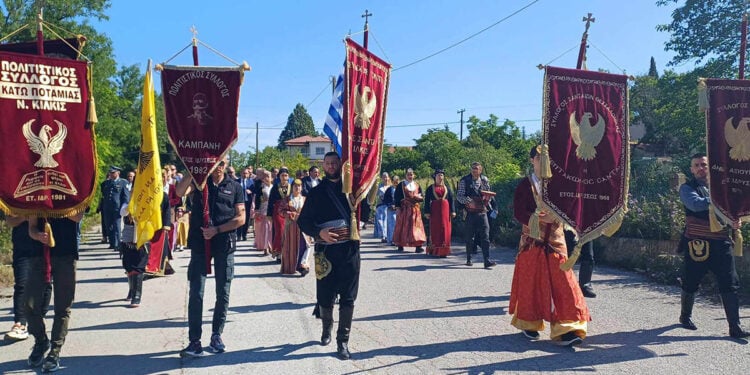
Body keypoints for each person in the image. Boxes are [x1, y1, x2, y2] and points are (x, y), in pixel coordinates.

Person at [509, 145, 590, 346]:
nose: (543, 161)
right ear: (532, 160)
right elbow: (518, 212)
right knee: (531, 284)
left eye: (546, 157)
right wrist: (537, 218)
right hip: (531, 242)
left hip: (555, 242)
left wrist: (558, 215)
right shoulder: (524, 186)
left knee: (565, 283)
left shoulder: (559, 185)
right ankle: (529, 323)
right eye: (539, 157)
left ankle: (568, 328)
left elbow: (570, 206)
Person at [176, 159, 245, 357]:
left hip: (224, 243)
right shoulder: (198, 183)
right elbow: (179, 192)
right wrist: (192, 169)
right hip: (199, 244)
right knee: (196, 292)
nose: (219, 166)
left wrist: (217, 230)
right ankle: (194, 341)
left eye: (223, 162)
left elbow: (241, 218)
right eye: (216, 162)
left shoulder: (235, 187)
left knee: (223, 291)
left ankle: (216, 335)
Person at [677, 153, 749, 338]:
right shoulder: (687, 188)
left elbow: (733, 211)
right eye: (697, 165)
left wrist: (735, 220)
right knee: (691, 281)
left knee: (730, 283)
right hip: (697, 243)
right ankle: (685, 317)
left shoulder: (723, 187)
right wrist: (720, 198)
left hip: (721, 242)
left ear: (710, 166)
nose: (701, 168)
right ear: (691, 169)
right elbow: (695, 205)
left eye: (704, 164)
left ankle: (735, 327)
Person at [298, 151, 360, 360]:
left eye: (335, 163)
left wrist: (362, 198)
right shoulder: (316, 193)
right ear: (323, 165)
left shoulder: (352, 190)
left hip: (349, 250)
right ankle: (326, 329)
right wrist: (318, 232)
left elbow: (366, 213)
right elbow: (303, 221)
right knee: (325, 296)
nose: (332, 166)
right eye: (328, 163)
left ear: (341, 165)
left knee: (349, 297)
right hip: (326, 251)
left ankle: (343, 342)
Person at [25, 212, 85, 372]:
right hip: (38, 255)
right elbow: (31, 228)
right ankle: (41, 340)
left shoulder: (71, 194)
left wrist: (57, 208)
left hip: (66, 253)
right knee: (29, 305)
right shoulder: (38, 195)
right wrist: (38, 235)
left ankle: (55, 351)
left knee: (62, 307)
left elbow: (78, 216)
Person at [4, 216, 51, 342]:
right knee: (21, 284)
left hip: (45, 243)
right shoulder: (15, 196)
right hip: (22, 245)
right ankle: (20, 323)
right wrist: (26, 216)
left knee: (46, 283)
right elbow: (10, 220)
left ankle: (41, 317)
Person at [456, 162, 497, 268]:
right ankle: (469, 259)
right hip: (470, 213)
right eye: (473, 168)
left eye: (477, 168)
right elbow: (459, 196)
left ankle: (486, 260)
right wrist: (468, 201)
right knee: (469, 237)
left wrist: (489, 200)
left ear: (481, 170)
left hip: (483, 212)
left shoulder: (485, 180)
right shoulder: (464, 180)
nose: (474, 170)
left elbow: (489, 194)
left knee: (486, 237)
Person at [281, 179, 312, 275]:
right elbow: (281, 211)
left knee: (307, 245)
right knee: (292, 247)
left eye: (299, 186)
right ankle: (292, 267)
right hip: (291, 227)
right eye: (295, 186)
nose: (297, 188)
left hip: (303, 227)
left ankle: (303, 265)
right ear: (292, 187)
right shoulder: (287, 199)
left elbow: (310, 211)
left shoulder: (305, 199)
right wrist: (292, 214)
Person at [119, 203, 148, 307]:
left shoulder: (148, 202)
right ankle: (131, 290)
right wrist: (132, 204)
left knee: (139, 267)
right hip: (127, 240)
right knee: (129, 267)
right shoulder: (126, 205)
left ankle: (137, 296)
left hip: (142, 239)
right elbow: (122, 212)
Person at [393, 168, 427, 253]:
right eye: (408, 174)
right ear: (406, 175)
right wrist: (397, 208)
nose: (410, 176)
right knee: (403, 226)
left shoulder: (417, 185)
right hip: (404, 209)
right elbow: (397, 197)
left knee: (416, 227)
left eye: (411, 174)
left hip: (415, 209)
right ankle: (400, 244)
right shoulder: (401, 185)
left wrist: (419, 198)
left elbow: (421, 195)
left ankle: (418, 245)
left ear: (414, 175)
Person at [424, 169, 456, 257]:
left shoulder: (447, 188)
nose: (440, 177)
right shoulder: (430, 188)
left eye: (442, 175)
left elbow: (451, 200)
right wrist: (427, 212)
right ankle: (434, 249)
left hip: (446, 212)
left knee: (445, 229)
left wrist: (453, 211)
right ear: (435, 177)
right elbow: (427, 201)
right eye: (438, 175)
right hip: (435, 212)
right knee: (435, 229)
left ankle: (444, 250)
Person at [100, 166, 130, 249]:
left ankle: (117, 244)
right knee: (108, 226)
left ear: (118, 173)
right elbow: (104, 195)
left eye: (113, 172)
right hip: (107, 208)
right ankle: (112, 243)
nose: (111, 174)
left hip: (117, 208)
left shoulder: (123, 182)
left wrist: (125, 206)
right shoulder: (106, 183)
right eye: (110, 172)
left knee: (116, 226)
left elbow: (126, 196)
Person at [268, 168, 292, 262]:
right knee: (280, 231)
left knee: (289, 232)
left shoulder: (292, 186)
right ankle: (278, 253)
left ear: (288, 177)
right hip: (277, 211)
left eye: (286, 175)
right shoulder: (275, 187)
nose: (284, 177)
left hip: (289, 211)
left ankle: (288, 253)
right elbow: (270, 201)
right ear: (279, 177)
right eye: (282, 175)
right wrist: (269, 214)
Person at [565, 230, 597, 298]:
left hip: (586, 226)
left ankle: (585, 285)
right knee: (568, 255)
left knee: (588, 255)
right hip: (570, 223)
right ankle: (565, 285)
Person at [254, 169, 273, 255]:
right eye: (264, 176)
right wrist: (257, 210)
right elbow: (257, 200)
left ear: (271, 178)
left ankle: (271, 246)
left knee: (271, 230)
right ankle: (266, 247)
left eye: (268, 176)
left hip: (273, 211)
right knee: (265, 229)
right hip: (263, 210)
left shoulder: (275, 187)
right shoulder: (261, 188)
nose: (266, 178)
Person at [237, 167, 255, 241]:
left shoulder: (251, 182)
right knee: (239, 218)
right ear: (241, 173)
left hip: (247, 202)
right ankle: (238, 235)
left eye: (246, 173)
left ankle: (244, 235)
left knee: (246, 219)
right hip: (239, 203)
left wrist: (251, 191)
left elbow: (255, 191)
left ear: (248, 174)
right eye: (244, 173)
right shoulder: (236, 182)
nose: (245, 174)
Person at [374, 172, 391, 243]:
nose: (385, 179)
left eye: (386, 177)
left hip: (388, 206)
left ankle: (387, 236)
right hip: (380, 206)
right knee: (380, 221)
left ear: (389, 178)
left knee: (386, 221)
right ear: (382, 178)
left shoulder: (390, 187)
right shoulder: (379, 186)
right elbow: (374, 195)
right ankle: (383, 235)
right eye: (384, 177)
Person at [385, 175, 399, 245]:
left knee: (399, 225)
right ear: (392, 181)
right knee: (392, 225)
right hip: (391, 209)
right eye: (395, 180)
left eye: (397, 180)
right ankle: (391, 240)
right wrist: (390, 205)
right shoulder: (389, 189)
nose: (396, 182)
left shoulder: (401, 189)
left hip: (399, 209)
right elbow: (386, 199)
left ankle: (398, 240)